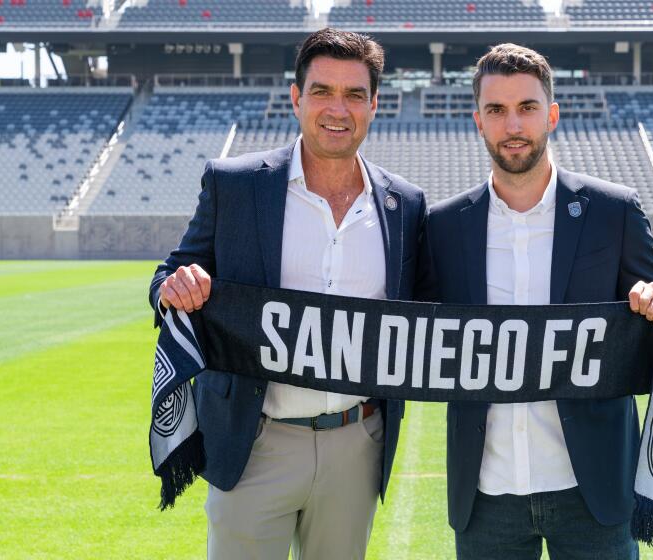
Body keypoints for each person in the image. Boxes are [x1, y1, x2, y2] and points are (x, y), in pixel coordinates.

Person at [149, 28, 427, 560]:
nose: (337, 109)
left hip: (357, 441)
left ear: (375, 105)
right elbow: (170, 273)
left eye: (353, 95)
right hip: (255, 441)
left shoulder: (404, 204)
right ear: (296, 98)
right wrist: (175, 287)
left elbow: (433, 314)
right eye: (322, 91)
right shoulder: (234, 184)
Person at [417, 44, 653, 559]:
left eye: (527, 107)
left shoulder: (614, 211)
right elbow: (416, 340)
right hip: (486, 493)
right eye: (496, 110)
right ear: (477, 121)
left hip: (593, 492)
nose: (512, 123)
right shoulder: (444, 226)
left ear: (553, 115)